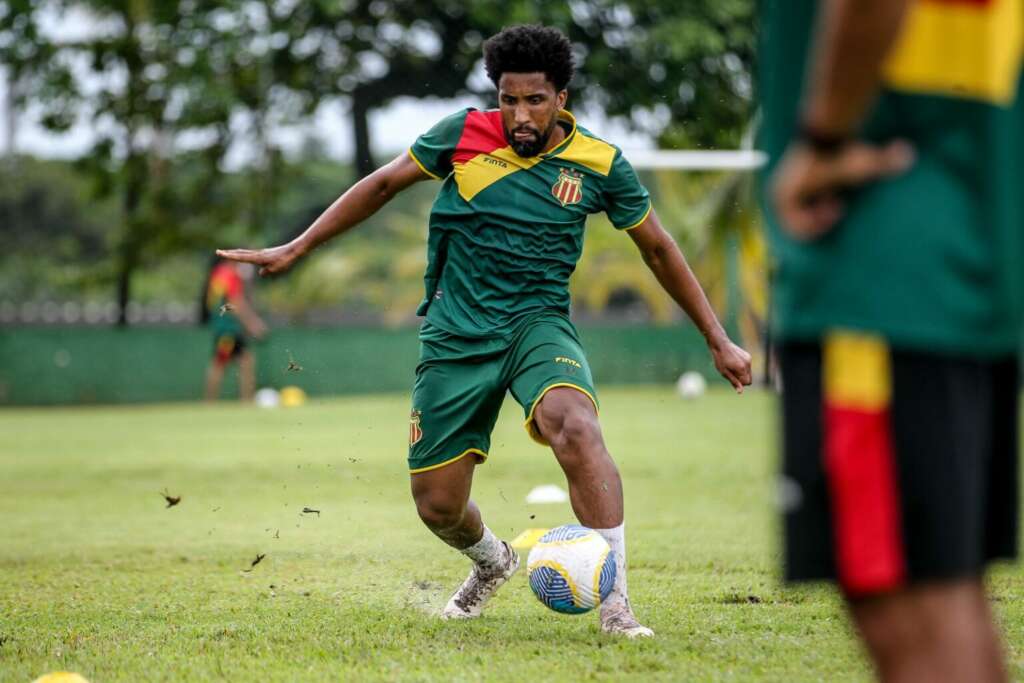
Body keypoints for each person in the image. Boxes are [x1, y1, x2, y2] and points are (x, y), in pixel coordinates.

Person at [219, 24, 751, 637]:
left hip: (538, 326)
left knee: (575, 425)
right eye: (507, 99)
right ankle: (493, 562)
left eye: (534, 100)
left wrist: (717, 337)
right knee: (438, 505)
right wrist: (300, 245)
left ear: (561, 99)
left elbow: (658, 249)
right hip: (456, 333)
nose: (519, 115)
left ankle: (617, 607)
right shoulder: (460, 135)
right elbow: (385, 183)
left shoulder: (601, 163)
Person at [761, 0, 1024, 679]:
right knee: (941, 588)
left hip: (882, 261)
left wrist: (822, 138)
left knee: (913, 609)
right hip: (964, 243)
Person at [202, 257, 268, 402]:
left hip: (223, 326)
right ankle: (213, 402)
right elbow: (236, 302)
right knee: (221, 363)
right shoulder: (229, 274)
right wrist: (253, 324)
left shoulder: (219, 273)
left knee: (244, 361)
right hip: (228, 329)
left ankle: (243, 400)